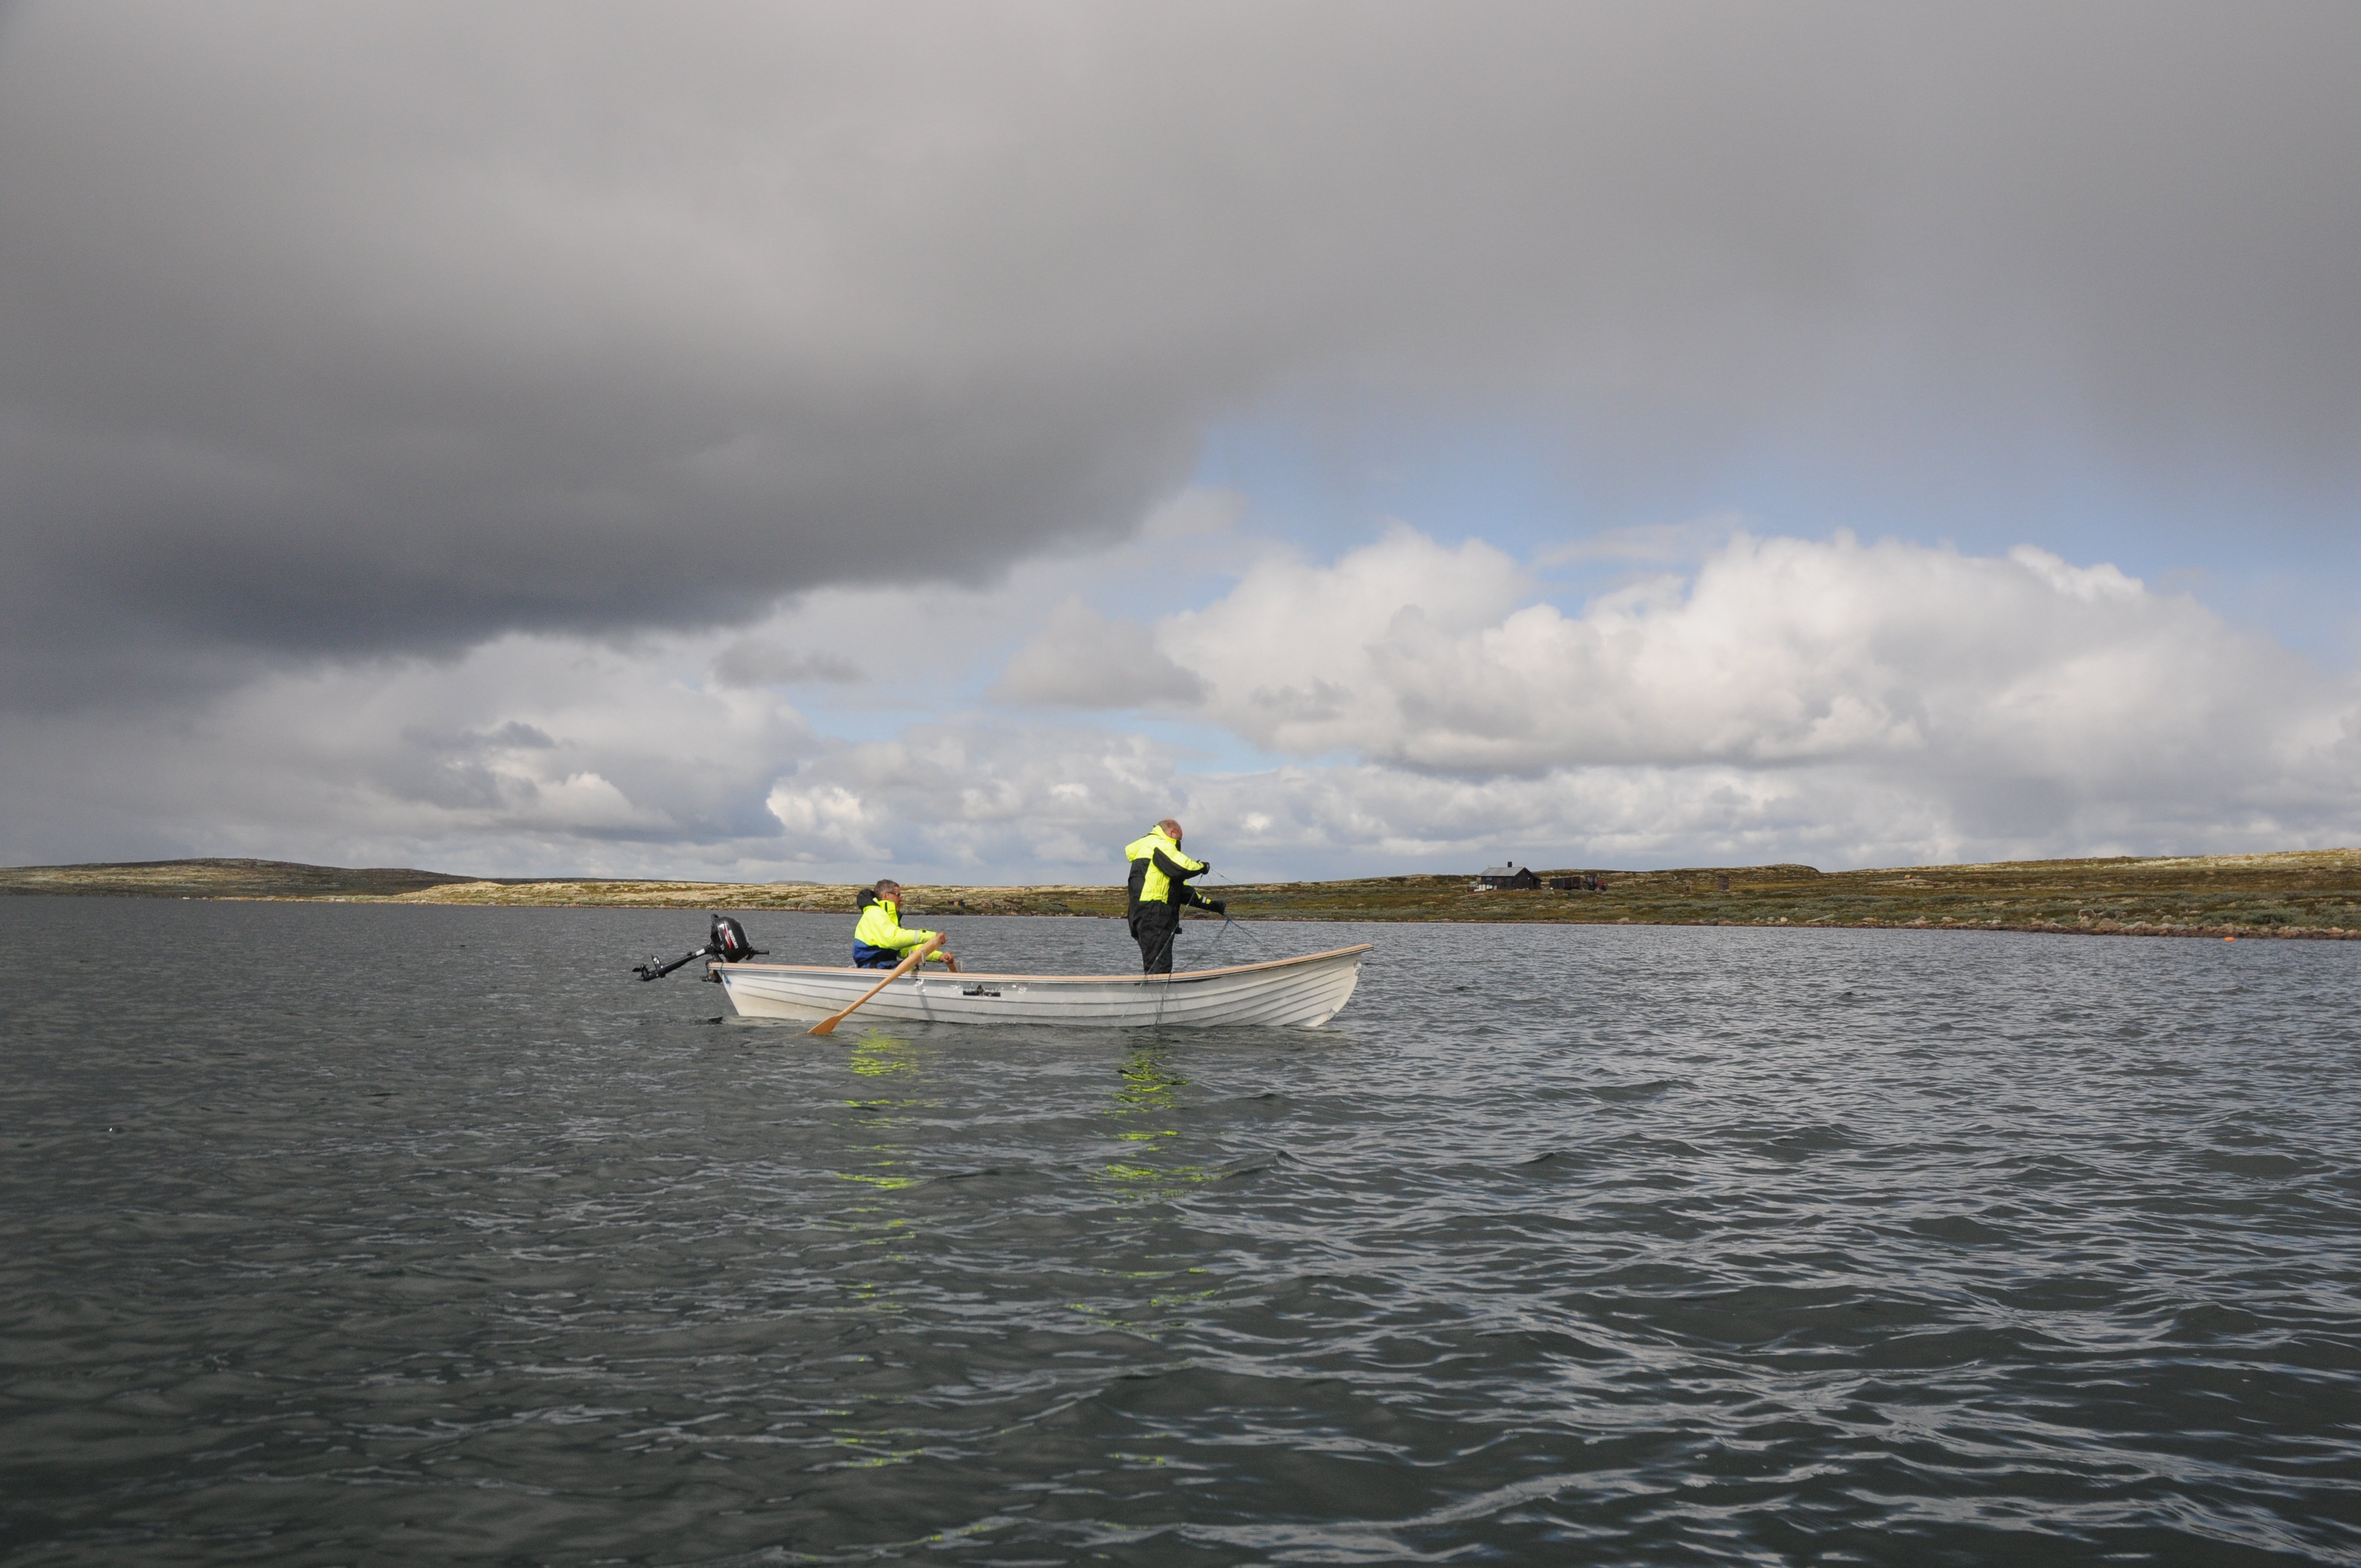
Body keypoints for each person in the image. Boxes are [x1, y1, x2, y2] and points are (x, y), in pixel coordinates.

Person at [1123, 818, 1224, 974]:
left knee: (1155, 963)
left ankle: (1156, 987)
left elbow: (1182, 891)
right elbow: (1183, 867)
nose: (1179, 842)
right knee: (1159, 965)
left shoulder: (1149, 850)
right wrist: (1202, 867)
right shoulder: (1160, 844)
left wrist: (1214, 906)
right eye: (1179, 838)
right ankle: (1158, 989)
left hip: (1141, 914)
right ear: (1172, 832)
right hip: (1154, 913)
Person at [852, 880, 959, 972]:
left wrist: (939, 956)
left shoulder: (887, 917)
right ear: (886, 896)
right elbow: (894, 939)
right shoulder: (875, 913)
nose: (901, 899)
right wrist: (931, 936)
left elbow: (904, 950)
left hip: (886, 966)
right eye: (898, 895)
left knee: (912, 969)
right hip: (872, 968)